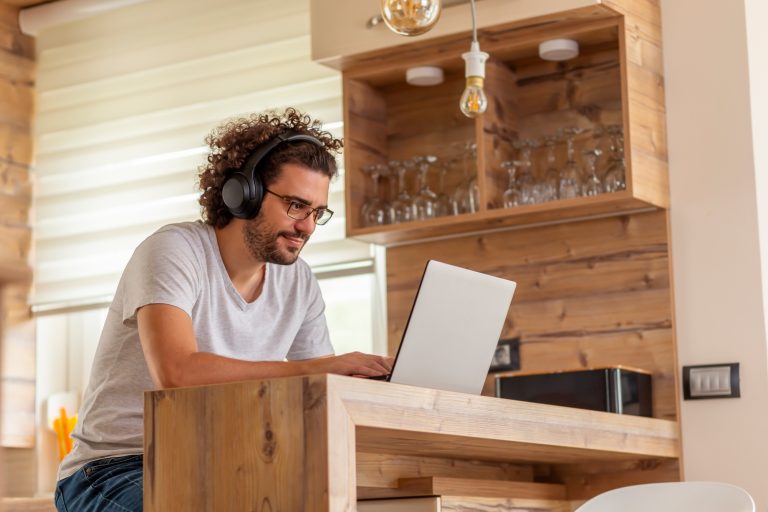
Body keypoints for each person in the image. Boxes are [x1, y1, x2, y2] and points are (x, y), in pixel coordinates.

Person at [54, 108, 393, 512]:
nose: (307, 227)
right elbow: (177, 373)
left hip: (226, 466)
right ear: (242, 193)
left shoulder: (299, 283)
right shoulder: (174, 251)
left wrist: (366, 384)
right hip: (116, 467)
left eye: (317, 212)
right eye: (296, 205)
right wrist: (322, 368)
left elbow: (317, 396)